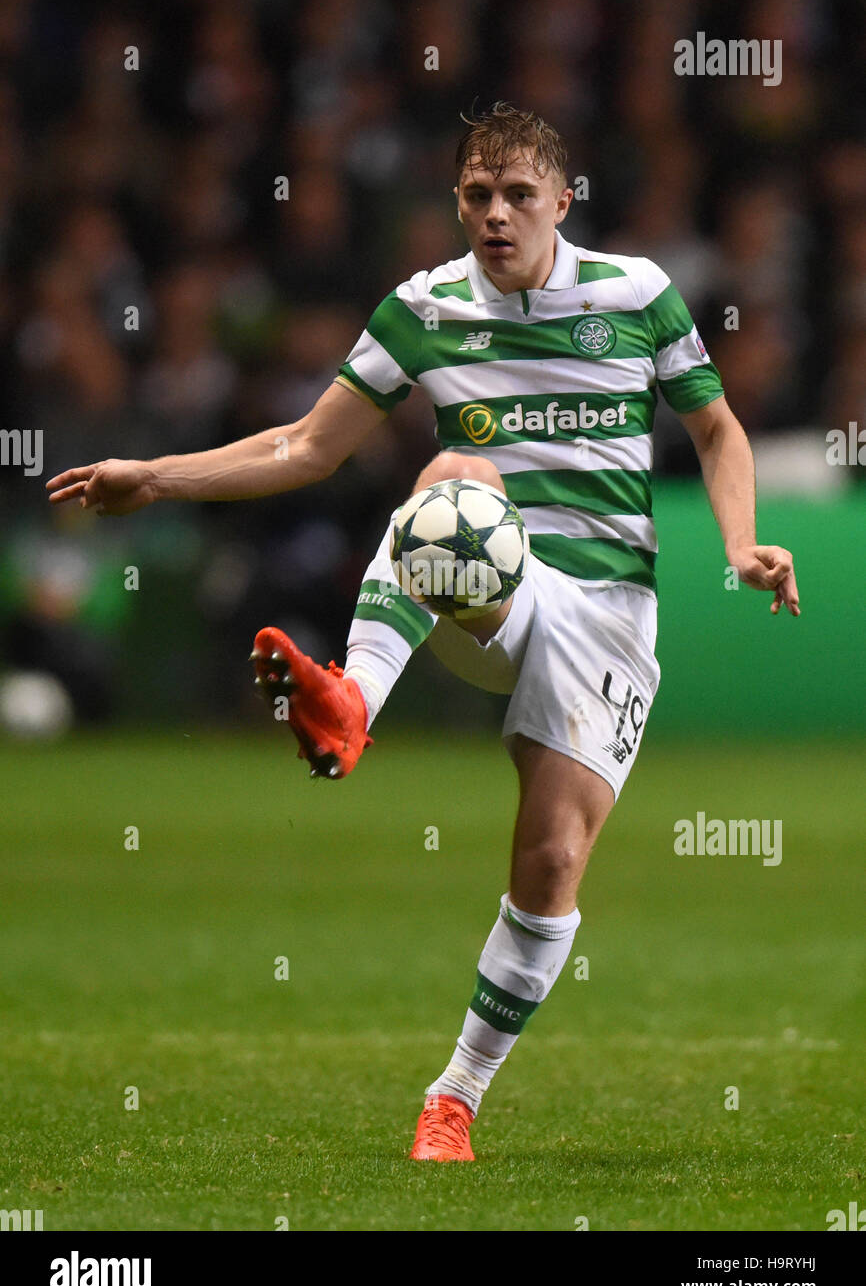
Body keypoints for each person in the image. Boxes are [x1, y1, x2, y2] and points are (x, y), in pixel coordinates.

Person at [47, 103, 800, 1162]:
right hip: (486, 585)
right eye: (475, 197)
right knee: (454, 477)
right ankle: (348, 701)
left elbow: (715, 430)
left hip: (606, 609)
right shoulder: (421, 307)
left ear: (560, 202)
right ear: (456, 203)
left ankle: (453, 1097)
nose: (495, 215)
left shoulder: (635, 295)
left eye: (517, 196)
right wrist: (155, 478)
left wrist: (738, 545)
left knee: (548, 860)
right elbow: (309, 447)